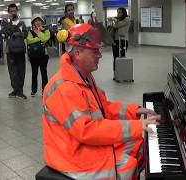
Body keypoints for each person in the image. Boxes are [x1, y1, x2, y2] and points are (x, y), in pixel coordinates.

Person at [42, 23, 160, 179]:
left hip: (82, 143)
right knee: (127, 165)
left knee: (140, 144)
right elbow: (87, 131)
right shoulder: (65, 87)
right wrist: (137, 126)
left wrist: (135, 110)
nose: (100, 55)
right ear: (77, 53)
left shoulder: (82, 75)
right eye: (95, 51)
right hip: (73, 155)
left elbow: (104, 108)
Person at [1, 3, 28, 99]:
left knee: (21, 70)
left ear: (17, 11)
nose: (13, 13)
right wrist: (7, 24)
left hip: (20, 50)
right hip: (10, 51)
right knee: (12, 71)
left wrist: (17, 33)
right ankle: (15, 90)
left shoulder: (22, 23)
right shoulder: (6, 23)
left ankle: (20, 91)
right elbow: (3, 33)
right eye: (11, 11)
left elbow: (25, 34)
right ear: (8, 13)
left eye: (14, 11)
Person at [27, 14, 50, 97]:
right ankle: (33, 91)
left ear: (42, 22)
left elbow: (45, 39)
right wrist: (39, 39)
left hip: (44, 55)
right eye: (36, 21)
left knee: (44, 73)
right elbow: (29, 41)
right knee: (34, 73)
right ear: (33, 22)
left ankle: (45, 90)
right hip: (33, 56)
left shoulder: (46, 30)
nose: (37, 22)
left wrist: (39, 32)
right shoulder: (30, 32)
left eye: (39, 20)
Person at [111, 8, 130, 79]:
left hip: (123, 41)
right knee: (115, 57)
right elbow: (114, 26)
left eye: (119, 12)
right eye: (117, 12)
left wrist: (115, 21)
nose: (118, 14)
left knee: (122, 56)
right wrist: (115, 21)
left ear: (123, 13)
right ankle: (115, 73)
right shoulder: (118, 20)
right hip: (115, 40)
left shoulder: (127, 19)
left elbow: (116, 26)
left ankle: (122, 72)